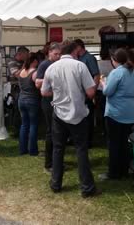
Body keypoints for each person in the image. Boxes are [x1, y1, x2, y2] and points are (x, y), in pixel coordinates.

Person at [41, 41, 100, 198]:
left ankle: (56, 184)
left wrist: (60, 93)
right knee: (81, 149)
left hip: (58, 113)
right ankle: (87, 187)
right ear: (75, 51)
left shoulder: (51, 67)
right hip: (78, 113)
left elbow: (44, 92)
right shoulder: (80, 66)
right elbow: (90, 93)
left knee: (58, 148)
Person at [100, 48, 134, 180]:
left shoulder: (116, 73)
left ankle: (113, 172)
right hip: (129, 112)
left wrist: (103, 83)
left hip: (115, 113)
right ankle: (124, 169)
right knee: (125, 143)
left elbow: (107, 92)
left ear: (114, 60)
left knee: (114, 144)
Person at [35, 43, 61, 172]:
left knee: (57, 132)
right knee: (51, 131)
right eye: (55, 54)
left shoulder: (58, 64)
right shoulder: (45, 64)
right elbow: (37, 83)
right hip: (47, 101)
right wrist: (49, 80)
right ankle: (49, 163)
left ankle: (55, 161)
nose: (58, 56)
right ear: (49, 53)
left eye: (59, 54)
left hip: (56, 101)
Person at [74, 39, 99, 148]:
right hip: (80, 93)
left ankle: (88, 142)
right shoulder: (78, 58)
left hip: (87, 92)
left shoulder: (89, 58)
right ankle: (80, 139)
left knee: (88, 118)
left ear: (79, 47)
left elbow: (96, 75)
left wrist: (92, 92)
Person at [18, 53, 40, 156]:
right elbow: (38, 86)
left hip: (21, 99)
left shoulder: (22, 71)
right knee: (33, 125)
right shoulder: (35, 72)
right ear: (34, 61)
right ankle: (33, 150)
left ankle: (22, 149)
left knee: (24, 125)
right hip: (32, 100)